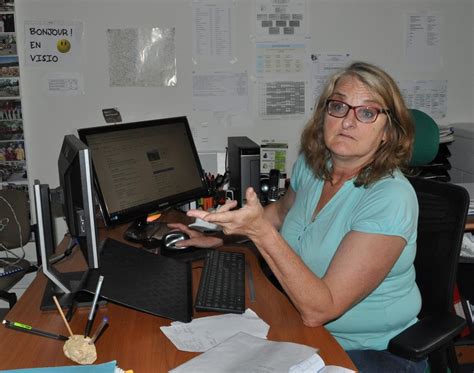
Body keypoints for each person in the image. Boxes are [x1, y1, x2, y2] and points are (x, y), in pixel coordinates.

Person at [169, 61, 425, 372]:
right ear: (323, 115)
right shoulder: (313, 167)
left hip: (372, 352)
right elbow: (279, 212)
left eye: (367, 112)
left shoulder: (390, 198)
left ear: (387, 132)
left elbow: (321, 309)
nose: (347, 121)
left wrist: (260, 233)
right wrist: (219, 236)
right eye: (339, 106)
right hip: (304, 332)